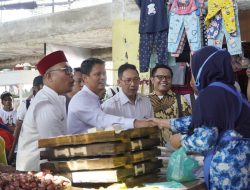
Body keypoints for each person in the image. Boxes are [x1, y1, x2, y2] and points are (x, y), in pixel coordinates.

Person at [154, 46, 250, 190]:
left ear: (202, 68)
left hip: (227, 168)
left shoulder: (211, 93)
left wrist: (180, 140)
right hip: (242, 165)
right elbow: (209, 119)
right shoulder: (231, 91)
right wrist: (164, 122)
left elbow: (205, 140)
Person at [16, 50, 74, 171]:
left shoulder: (57, 99)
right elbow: (57, 148)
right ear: (49, 77)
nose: (71, 75)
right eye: (66, 71)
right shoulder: (45, 105)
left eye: (71, 70)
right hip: (35, 174)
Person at [67, 58, 156, 134]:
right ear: (85, 78)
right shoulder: (81, 100)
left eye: (104, 74)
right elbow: (102, 120)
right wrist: (136, 123)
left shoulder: (93, 98)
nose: (103, 77)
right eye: (97, 74)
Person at [148, 65, 191, 145]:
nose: (164, 80)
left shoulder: (180, 99)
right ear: (152, 80)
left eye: (168, 77)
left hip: (175, 150)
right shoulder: (145, 101)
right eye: (160, 77)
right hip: (151, 149)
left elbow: (189, 125)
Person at [8, 75, 43, 163]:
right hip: (30, 151)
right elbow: (17, 130)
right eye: (43, 87)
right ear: (35, 88)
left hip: (47, 149)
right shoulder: (25, 105)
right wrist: (12, 153)